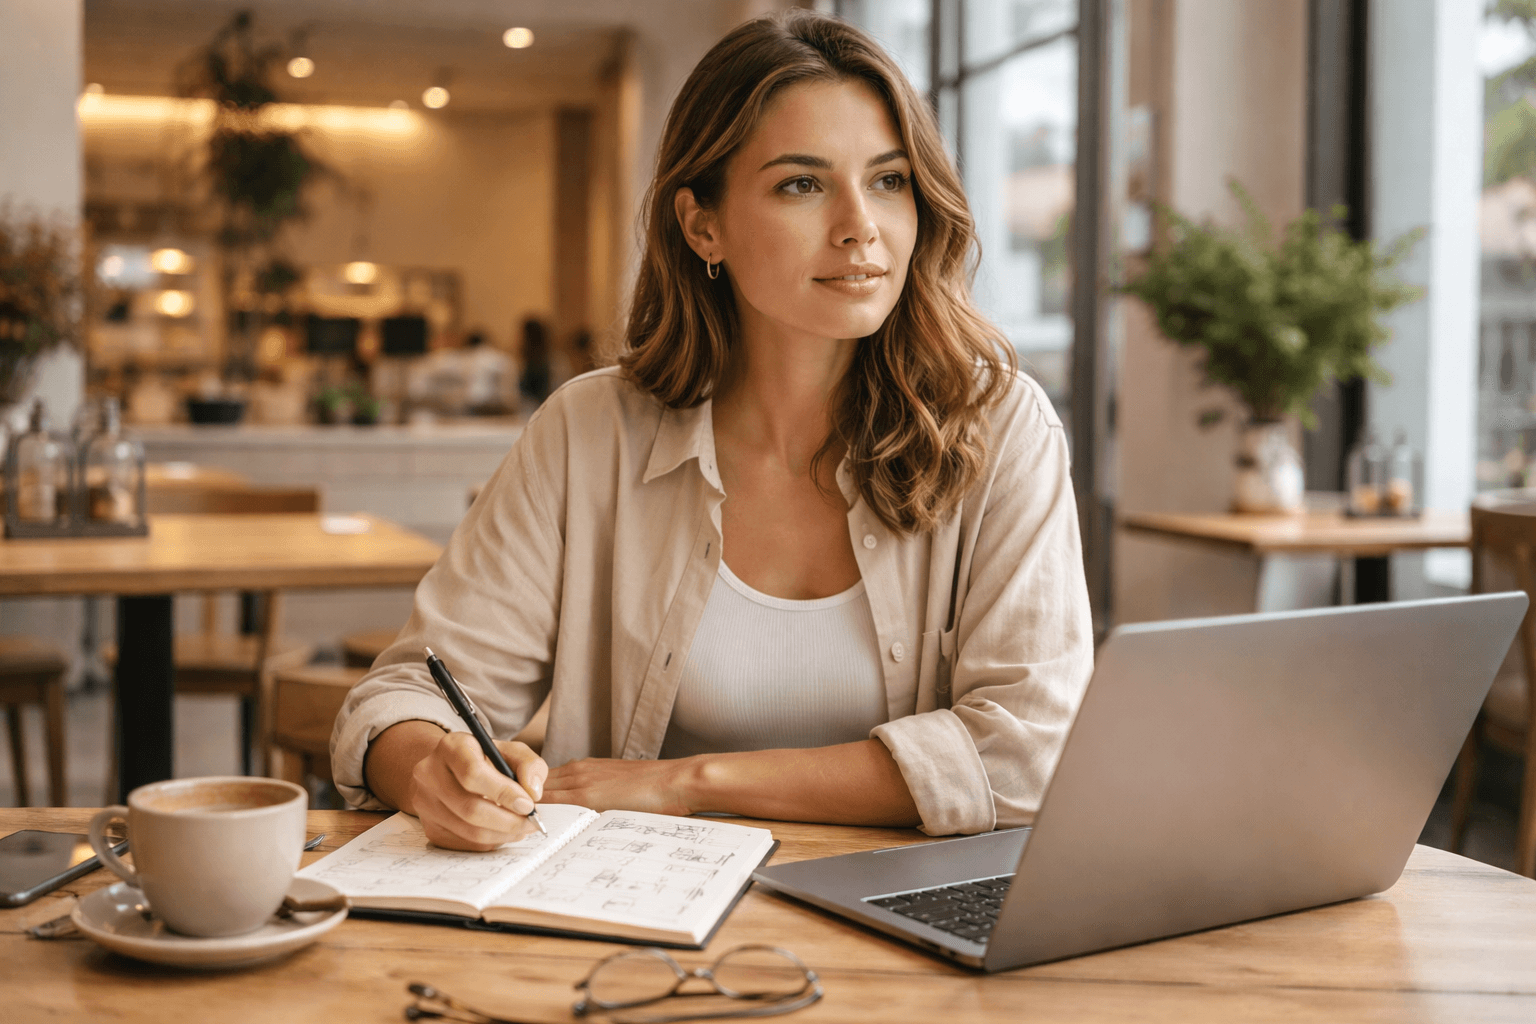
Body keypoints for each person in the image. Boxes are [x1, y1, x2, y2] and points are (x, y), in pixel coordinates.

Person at [332, 10, 1093, 852]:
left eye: (889, 179)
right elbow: (403, 697)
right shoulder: (590, 434)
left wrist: (688, 782)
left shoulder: (1002, 429)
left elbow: (1029, 754)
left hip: (906, 933)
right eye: (801, 184)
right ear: (703, 226)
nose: (860, 225)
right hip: (623, 926)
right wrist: (435, 768)